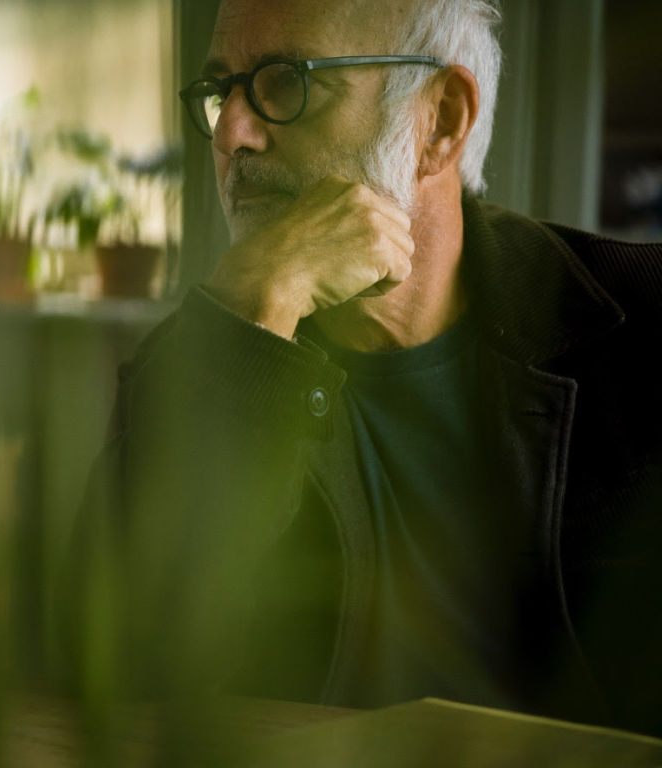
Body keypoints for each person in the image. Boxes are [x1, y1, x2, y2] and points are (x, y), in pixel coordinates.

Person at [62, 0, 662, 738]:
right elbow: (114, 668)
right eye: (222, 92)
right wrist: (256, 314)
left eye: (285, 83)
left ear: (438, 121)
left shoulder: (642, 329)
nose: (231, 135)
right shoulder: (204, 356)